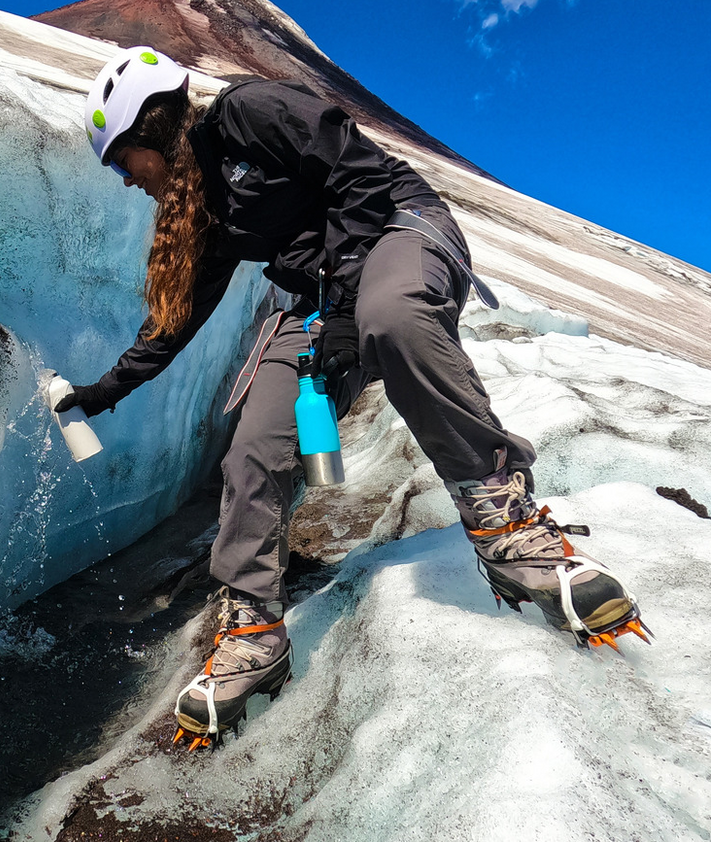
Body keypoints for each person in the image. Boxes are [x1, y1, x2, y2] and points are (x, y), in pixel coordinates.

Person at [57, 46, 647, 747]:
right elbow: (175, 320)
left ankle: (505, 518)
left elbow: (358, 174)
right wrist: (106, 391)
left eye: (122, 160)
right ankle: (253, 628)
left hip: (401, 229)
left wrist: (343, 306)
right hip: (323, 300)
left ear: (147, 128)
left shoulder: (248, 113)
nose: (125, 180)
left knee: (390, 317)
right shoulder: (208, 207)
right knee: (255, 447)